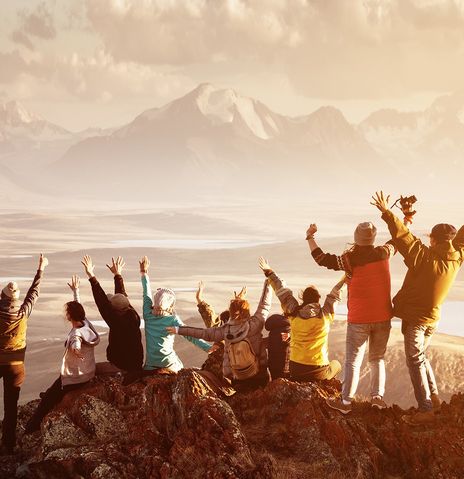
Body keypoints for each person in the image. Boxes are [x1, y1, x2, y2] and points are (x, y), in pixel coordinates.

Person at [371, 191, 464, 425]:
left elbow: (403, 237)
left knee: (414, 361)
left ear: (433, 239)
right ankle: (434, 398)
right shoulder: (458, 256)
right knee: (421, 358)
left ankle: (426, 409)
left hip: (416, 320)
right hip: (433, 319)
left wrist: (386, 211)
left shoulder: (424, 257)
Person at [308, 222, 395, 413]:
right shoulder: (384, 253)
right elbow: (397, 240)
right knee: (377, 358)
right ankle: (377, 398)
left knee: (353, 361)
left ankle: (346, 402)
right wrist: (405, 220)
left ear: (356, 238)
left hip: (359, 319)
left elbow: (321, 258)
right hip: (383, 316)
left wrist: (310, 237)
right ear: (372, 238)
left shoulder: (348, 259)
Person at [167, 275, 273, 392]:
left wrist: (178, 330)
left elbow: (201, 333)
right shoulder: (253, 326)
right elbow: (264, 306)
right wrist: (269, 280)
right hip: (259, 376)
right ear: (246, 312)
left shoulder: (224, 331)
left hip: (237, 379)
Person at [25, 275, 100, 433]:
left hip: (76, 377)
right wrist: (76, 291)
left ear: (69, 317)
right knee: (53, 390)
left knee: (47, 400)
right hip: (88, 372)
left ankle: (31, 427)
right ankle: (54, 394)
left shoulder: (76, 334)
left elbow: (75, 343)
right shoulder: (86, 324)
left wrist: (76, 350)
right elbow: (79, 309)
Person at [258, 257, 345, 382]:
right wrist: (346, 278)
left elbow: (282, 291)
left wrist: (269, 272)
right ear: (318, 299)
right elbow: (335, 294)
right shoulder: (325, 315)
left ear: (303, 299)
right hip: (318, 370)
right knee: (337, 364)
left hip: (295, 369)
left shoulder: (294, 313)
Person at [0, 253, 47, 455]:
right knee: (11, 407)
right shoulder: (22, 313)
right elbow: (33, 293)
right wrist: (41, 269)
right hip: (16, 366)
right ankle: (8, 445)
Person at [139, 256, 212, 372]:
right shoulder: (172, 320)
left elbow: (146, 293)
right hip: (169, 364)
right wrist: (208, 348)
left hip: (151, 365)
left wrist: (144, 272)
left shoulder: (148, 313)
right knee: (181, 367)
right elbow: (190, 335)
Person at [81, 255, 143, 384]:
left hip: (121, 367)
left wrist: (92, 276)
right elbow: (121, 296)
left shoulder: (117, 323)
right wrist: (117, 275)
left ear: (115, 311)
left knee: (89, 370)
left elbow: (102, 302)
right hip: (135, 365)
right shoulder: (131, 314)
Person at [195, 281, 230, 380]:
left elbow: (211, 320)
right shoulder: (241, 334)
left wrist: (199, 300)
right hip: (225, 375)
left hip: (212, 371)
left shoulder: (220, 333)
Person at [265, 314, 290, 380]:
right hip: (284, 367)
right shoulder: (287, 330)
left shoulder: (272, 332)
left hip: (272, 365)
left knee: (275, 383)